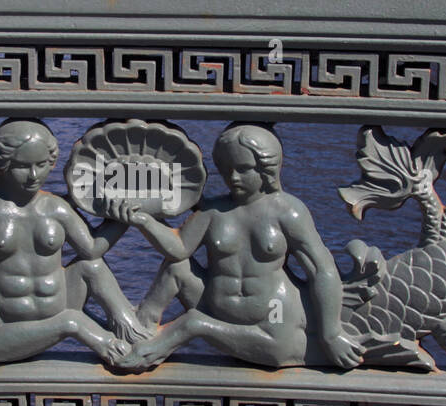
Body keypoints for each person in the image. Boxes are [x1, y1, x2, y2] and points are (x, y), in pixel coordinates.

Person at [117, 123, 361, 371]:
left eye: (243, 169)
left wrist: (332, 333)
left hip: (272, 320)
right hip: (218, 309)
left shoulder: (287, 211)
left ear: (268, 168)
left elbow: (322, 269)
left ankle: (167, 342)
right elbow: (178, 248)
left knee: (193, 323)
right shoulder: (213, 211)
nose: (233, 178)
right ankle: (138, 330)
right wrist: (145, 221)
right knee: (178, 267)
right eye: (227, 169)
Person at [0, 119, 146, 366]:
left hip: (53, 309)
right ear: (1, 165)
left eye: (41, 165)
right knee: (72, 322)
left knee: (91, 267)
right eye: (22, 166)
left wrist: (122, 219)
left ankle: (136, 333)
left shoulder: (56, 208)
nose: (33, 176)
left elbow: (92, 250)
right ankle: (105, 343)